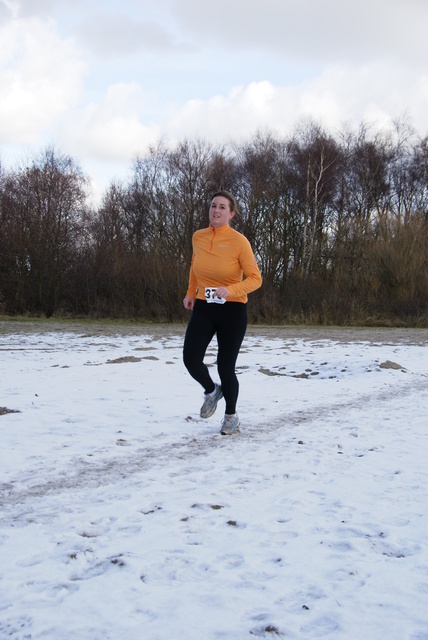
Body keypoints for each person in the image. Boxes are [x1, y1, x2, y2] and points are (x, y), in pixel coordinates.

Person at [183, 191, 262, 435]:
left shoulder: (240, 241)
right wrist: (190, 292)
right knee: (190, 358)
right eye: (213, 206)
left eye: (222, 207)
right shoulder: (198, 237)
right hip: (204, 306)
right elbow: (195, 268)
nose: (216, 210)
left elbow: (256, 279)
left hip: (233, 309)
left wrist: (231, 290)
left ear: (231, 213)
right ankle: (211, 391)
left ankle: (231, 416)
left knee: (226, 367)